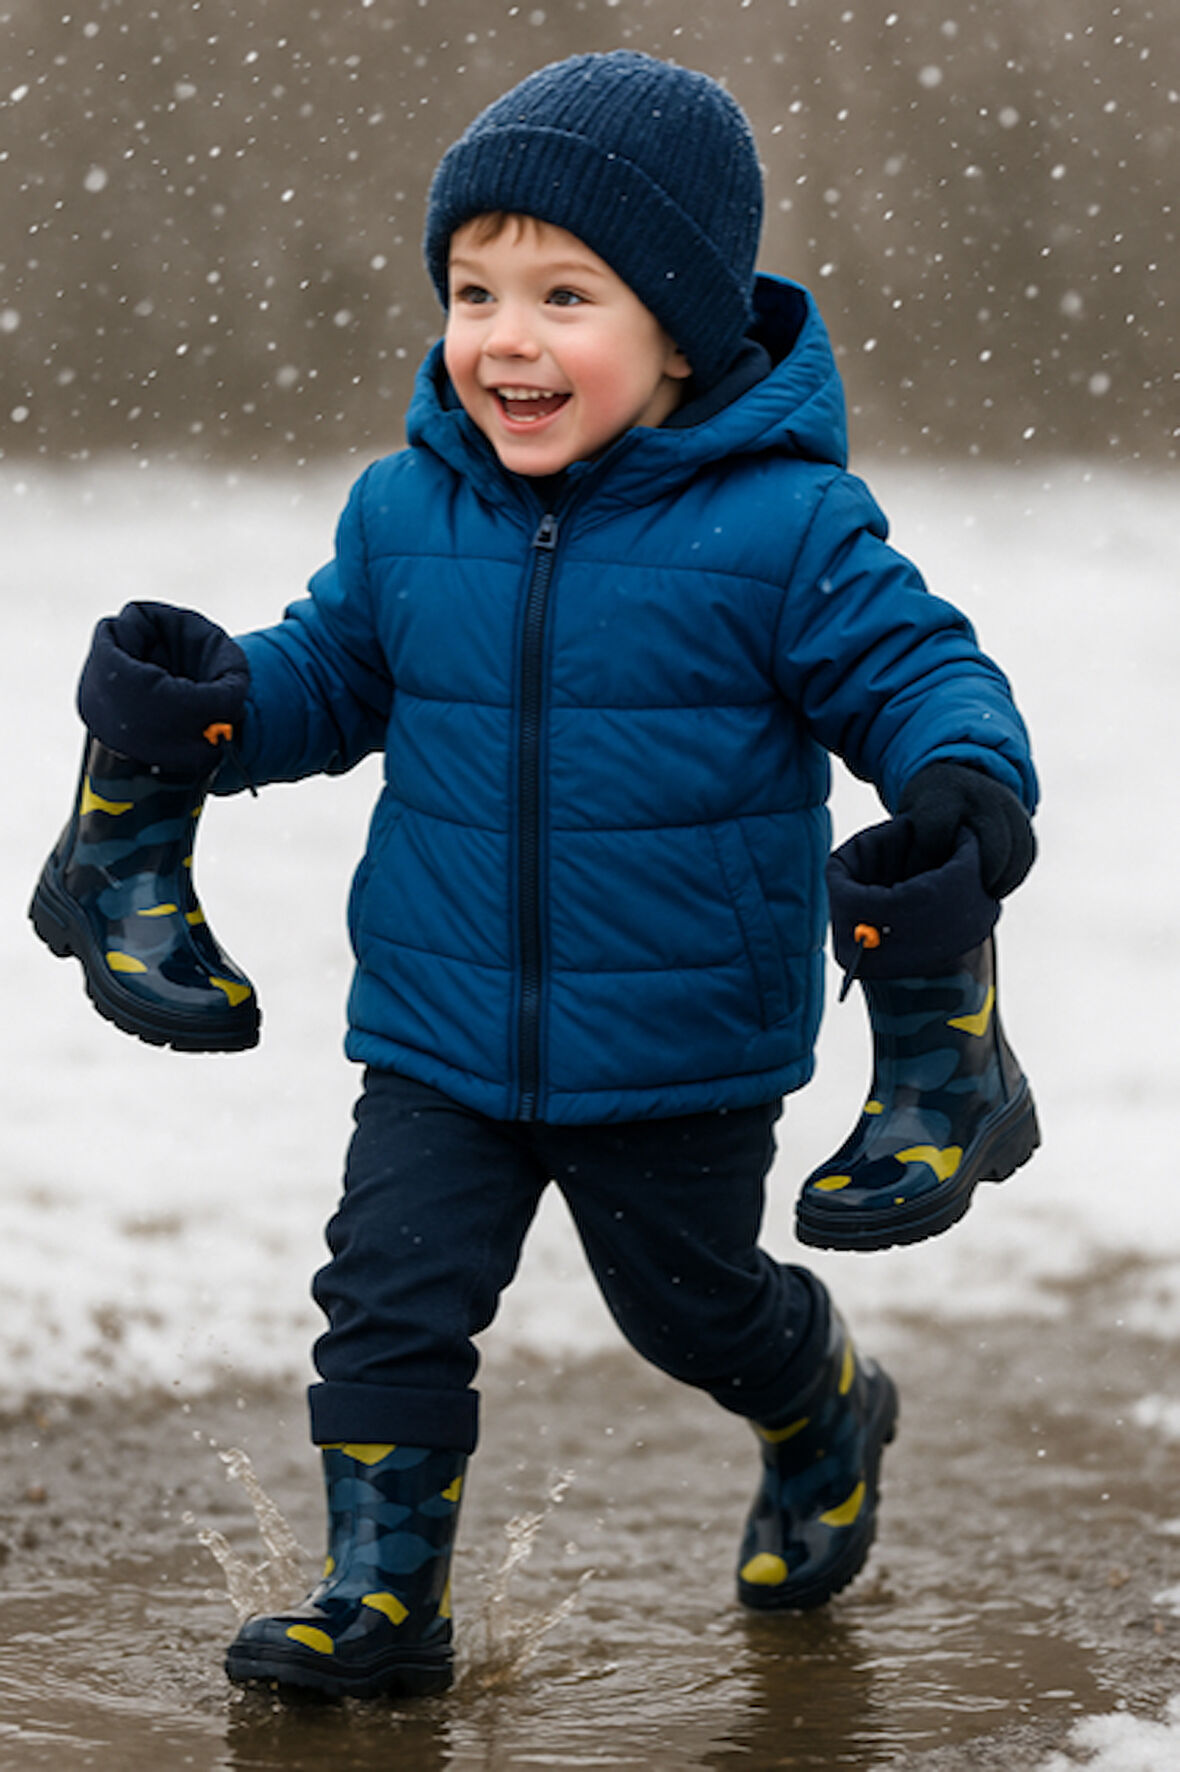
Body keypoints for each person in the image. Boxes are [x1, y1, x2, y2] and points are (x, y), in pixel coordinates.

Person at [35, 51, 1038, 1699]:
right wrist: (222, 702)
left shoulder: (785, 531)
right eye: (473, 288)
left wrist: (960, 777)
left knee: (694, 1314)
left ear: (682, 332)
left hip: (680, 1042)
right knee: (386, 1298)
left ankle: (823, 1405)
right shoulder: (407, 510)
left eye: (566, 293)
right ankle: (381, 1599)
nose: (506, 335)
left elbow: (924, 668)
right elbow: (335, 680)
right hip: (441, 1028)